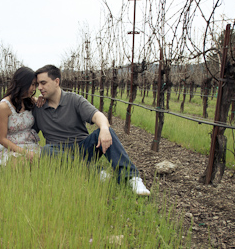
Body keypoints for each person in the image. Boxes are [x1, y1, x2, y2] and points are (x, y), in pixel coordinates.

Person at [32, 64, 150, 195]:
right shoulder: (38, 108)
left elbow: (97, 115)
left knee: (106, 131)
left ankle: (132, 178)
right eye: (38, 84)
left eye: (43, 83)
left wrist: (104, 129)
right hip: (58, 152)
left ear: (57, 81)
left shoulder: (74, 99)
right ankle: (96, 172)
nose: (39, 88)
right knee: (47, 150)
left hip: (84, 148)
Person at [0, 66, 41, 166]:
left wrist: (41, 98)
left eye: (35, 85)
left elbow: (44, 101)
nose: (34, 88)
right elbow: (2, 139)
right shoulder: (4, 106)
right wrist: (25, 153)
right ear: (22, 83)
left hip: (30, 144)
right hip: (12, 148)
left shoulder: (29, 100)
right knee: (21, 165)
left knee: (46, 162)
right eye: (32, 85)